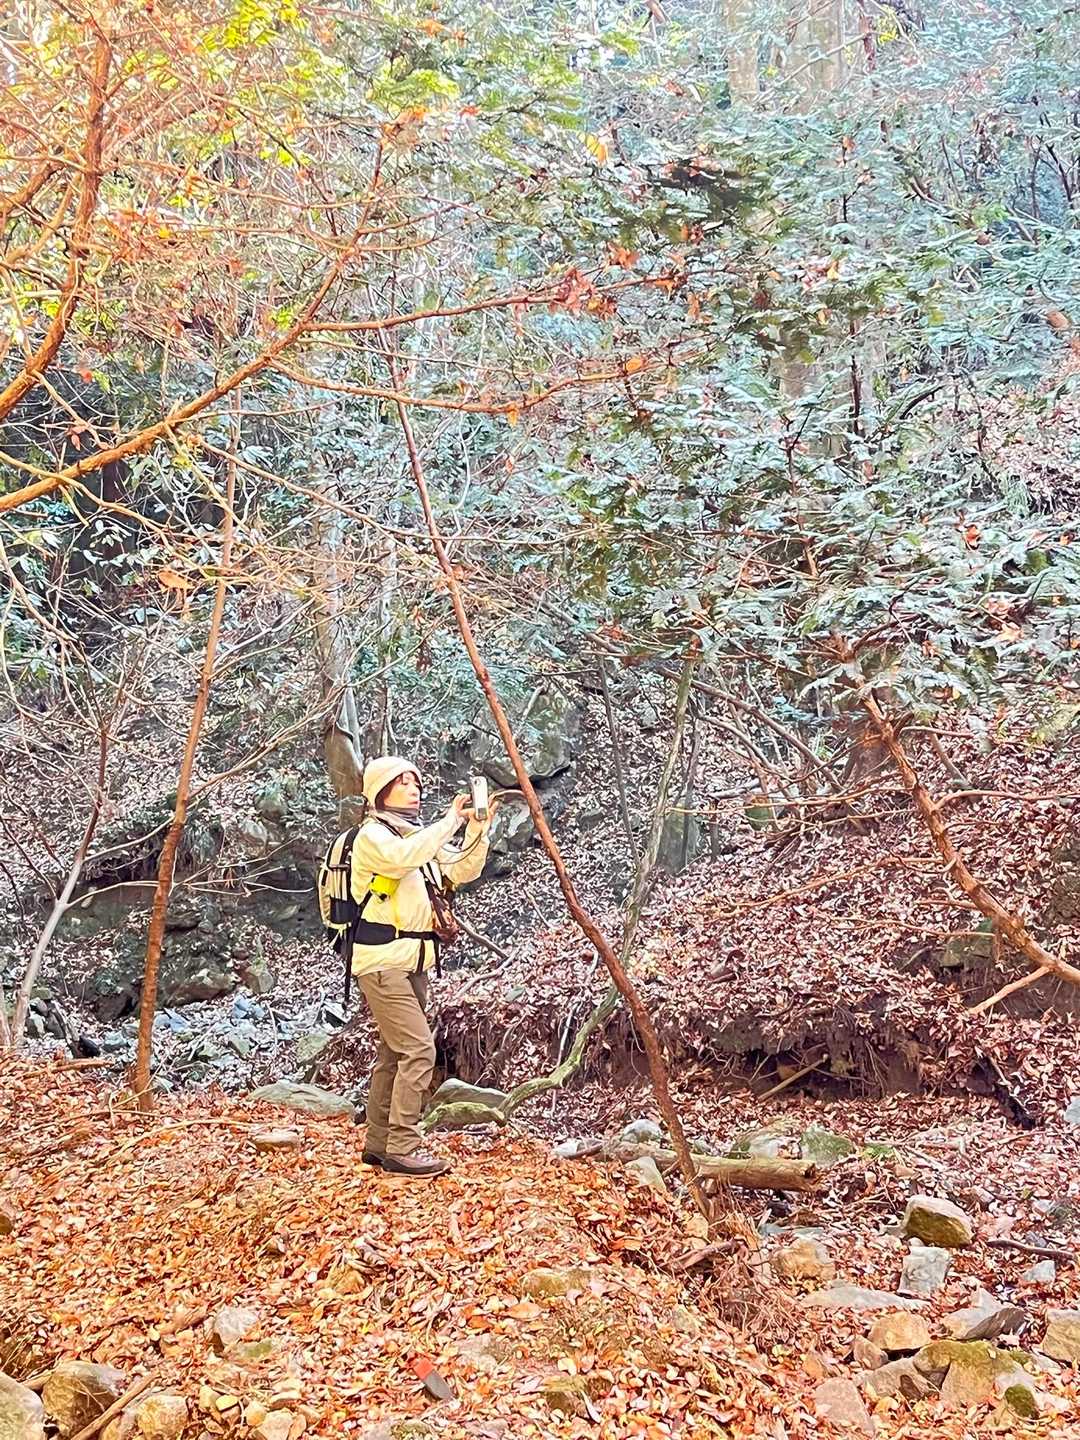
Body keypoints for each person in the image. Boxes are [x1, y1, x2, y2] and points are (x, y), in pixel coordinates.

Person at [347, 755, 494, 1176]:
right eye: (403, 783)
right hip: (381, 961)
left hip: (413, 961)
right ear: (380, 792)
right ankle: (403, 1147)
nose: (414, 790)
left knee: (394, 1052)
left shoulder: (418, 837)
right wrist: (449, 821)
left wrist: (477, 828)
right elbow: (402, 859)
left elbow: (462, 869)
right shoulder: (372, 836)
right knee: (418, 1049)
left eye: (416, 783)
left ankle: (378, 1144)